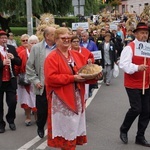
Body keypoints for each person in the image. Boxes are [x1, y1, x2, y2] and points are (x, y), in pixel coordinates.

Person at [44, 27, 102, 150]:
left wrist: (95, 76)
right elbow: (51, 79)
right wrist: (72, 78)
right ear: (56, 40)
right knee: (66, 132)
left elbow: (84, 75)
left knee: (74, 130)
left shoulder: (77, 55)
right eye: (63, 38)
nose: (66, 40)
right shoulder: (52, 57)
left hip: (77, 97)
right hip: (62, 99)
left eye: (68, 38)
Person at [119, 22, 150, 147]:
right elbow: (124, 65)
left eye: (146, 33)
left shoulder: (148, 48)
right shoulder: (129, 47)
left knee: (147, 111)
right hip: (132, 84)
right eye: (142, 33)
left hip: (146, 83)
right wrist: (137, 67)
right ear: (136, 34)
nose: (144, 35)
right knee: (136, 108)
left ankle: (140, 136)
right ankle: (124, 129)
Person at [26, 26, 56, 138]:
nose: (56, 36)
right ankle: (40, 126)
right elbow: (29, 67)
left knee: (56, 110)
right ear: (47, 36)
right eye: (54, 34)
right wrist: (35, 81)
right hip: (42, 85)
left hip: (56, 85)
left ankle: (55, 131)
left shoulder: (59, 48)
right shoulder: (37, 48)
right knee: (42, 111)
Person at [0, 30, 21, 133]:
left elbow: (19, 62)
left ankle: (11, 120)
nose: (4, 40)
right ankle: (1, 124)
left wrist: (13, 58)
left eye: (5, 38)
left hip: (10, 80)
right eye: (2, 38)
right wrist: (2, 63)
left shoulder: (11, 48)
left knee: (13, 102)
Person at [16, 35, 39, 126]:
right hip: (24, 81)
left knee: (37, 99)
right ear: (28, 44)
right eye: (31, 43)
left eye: (35, 43)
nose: (33, 45)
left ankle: (37, 117)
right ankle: (28, 117)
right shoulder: (22, 53)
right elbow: (17, 66)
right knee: (26, 99)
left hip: (37, 80)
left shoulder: (41, 53)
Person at [70, 35, 94, 100]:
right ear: (71, 43)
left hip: (84, 74)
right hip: (74, 76)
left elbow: (91, 57)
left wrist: (90, 60)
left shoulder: (84, 50)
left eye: (77, 41)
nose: (76, 43)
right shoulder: (68, 51)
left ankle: (83, 106)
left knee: (84, 93)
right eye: (74, 41)